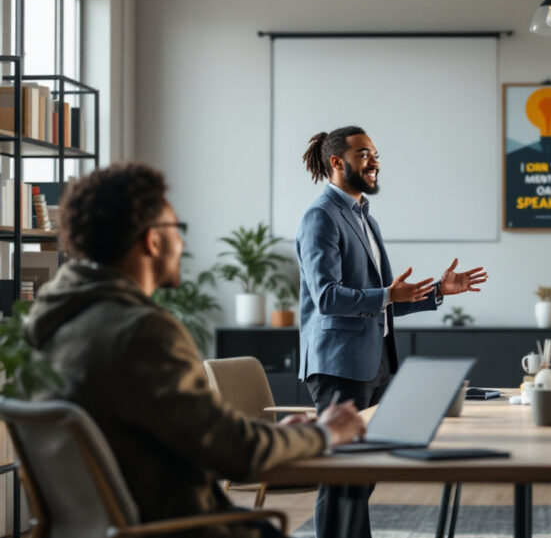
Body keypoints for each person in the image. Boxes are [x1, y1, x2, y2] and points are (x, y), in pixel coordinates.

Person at [23, 163, 366, 538]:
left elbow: (194, 430)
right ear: (152, 240)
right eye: (176, 229)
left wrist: (278, 434)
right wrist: (326, 433)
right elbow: (236, 456)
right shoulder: (142, 331)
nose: (182, 243)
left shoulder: (47, 326)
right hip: (177, 528)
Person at [297, 125, 487, 538]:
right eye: (364, 154)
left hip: (376, 359)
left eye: (375, 154)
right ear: (337, 162)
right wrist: (386, 293)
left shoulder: (365, 218)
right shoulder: (320, 217)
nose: (374, 161)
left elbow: (382, 299)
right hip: (339, 364)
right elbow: (327, 296)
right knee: (344, 476)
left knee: (363, 475)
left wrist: (437, 290)